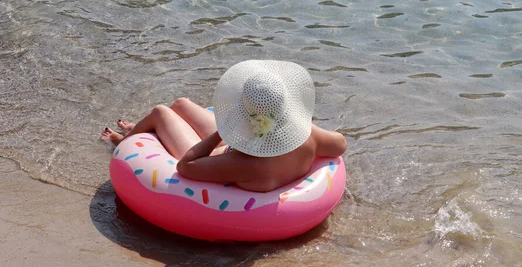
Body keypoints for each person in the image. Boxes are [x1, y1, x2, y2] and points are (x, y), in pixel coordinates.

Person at [102, 60, 347, 192]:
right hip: (255, 143)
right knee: (181, 104)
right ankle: (143, 130)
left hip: (223, 152)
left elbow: (185, 167)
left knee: (161, 111)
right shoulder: (309, 135)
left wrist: (223, 131)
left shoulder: (242, 165)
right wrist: (295, 122)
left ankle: (124, 141)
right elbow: (340, 144)